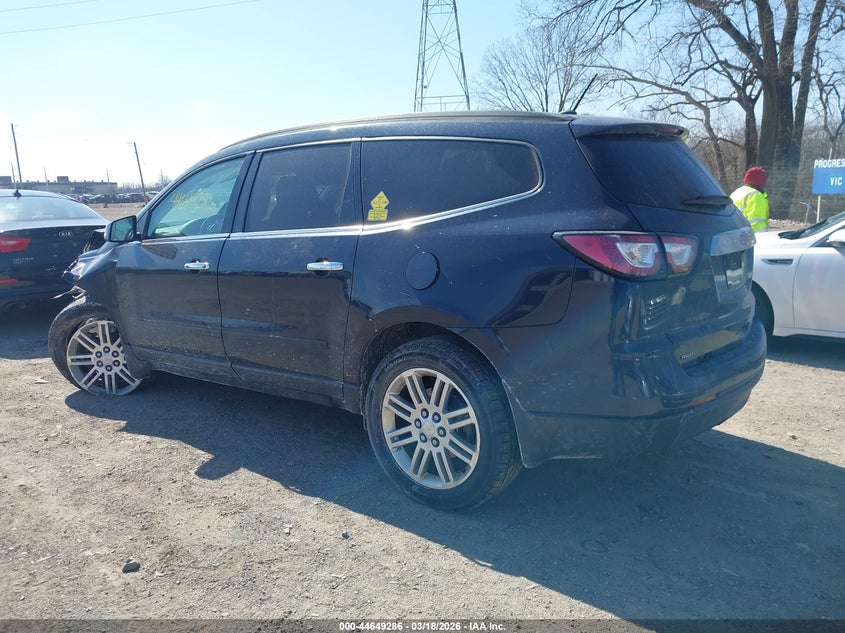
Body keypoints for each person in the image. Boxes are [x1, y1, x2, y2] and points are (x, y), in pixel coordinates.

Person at [730, 166, 769, 232]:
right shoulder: (756, 195)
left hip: (734, 234)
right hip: (754, 238)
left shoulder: (736, 192)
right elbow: (756, 223)